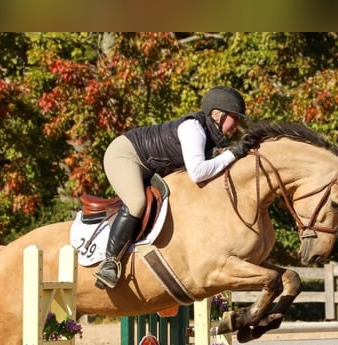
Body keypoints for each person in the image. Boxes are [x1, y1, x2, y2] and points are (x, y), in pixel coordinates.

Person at [94, 86, 256, 289]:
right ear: (218, 114)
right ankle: (110, 262)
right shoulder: (193, 129)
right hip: (125, 155)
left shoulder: (207, 135)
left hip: (149, 167)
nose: (238, 124)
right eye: (235, 117)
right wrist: (232, 154)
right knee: (137, 203)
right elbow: (198, 172)